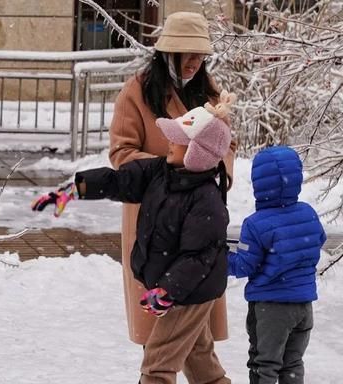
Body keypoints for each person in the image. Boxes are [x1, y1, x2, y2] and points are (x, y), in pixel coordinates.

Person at [32, 93, 236, 384]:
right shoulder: (160, 173)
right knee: (200, 362)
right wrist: (73, 190)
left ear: (196, 152)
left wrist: (167, 290)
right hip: (176, 288)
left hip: (190, 292)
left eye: (178, 139)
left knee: (157, 365)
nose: (169, 141)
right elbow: (118, 180)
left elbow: (198, 258)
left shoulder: (206, 201)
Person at [108, 11, 236, 348]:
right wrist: (172, 168)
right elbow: (122, 153)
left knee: (197, 331)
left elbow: (227, 143)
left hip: (198, 214)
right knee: (161, 335)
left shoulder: (208, 91)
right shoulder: (136, 92)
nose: (195, 63)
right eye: (188, 55)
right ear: (169, 53)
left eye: (200, 56)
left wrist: (216, 168)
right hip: (155, 216)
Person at [228, 146, 326, 384]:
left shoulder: (255, 224)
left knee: (265, 366)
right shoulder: (308, 213)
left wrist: (221, 257)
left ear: (258, 184)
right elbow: (318, 241)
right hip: (303, 306)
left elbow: (244, 265)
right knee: (292, 364)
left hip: (271, 309)